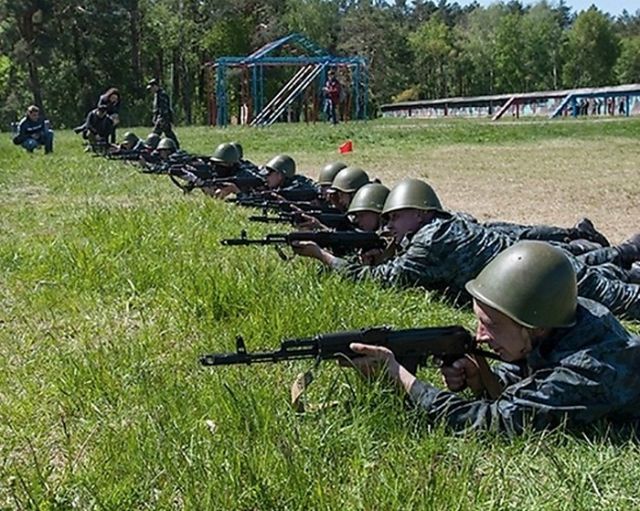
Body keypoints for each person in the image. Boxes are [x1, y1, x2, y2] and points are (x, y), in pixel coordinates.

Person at [346, 241, 640, 436]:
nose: (480, 336)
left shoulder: (590, 370)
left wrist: (402, 379)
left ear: (534, 326)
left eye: (491, 325)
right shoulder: (559, 316)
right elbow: (532, 370)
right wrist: (483, 376)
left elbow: (495, 423)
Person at [292, 178, 640, 320]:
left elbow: (379, 281)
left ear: (422, 214)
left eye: (396, 217)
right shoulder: (437, 229)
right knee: (615, 281)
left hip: (540, 273)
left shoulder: (430, 242)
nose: (390, 225)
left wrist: (322, 255)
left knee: (625, 300)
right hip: (533, 267)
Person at [146, 78, 180, 149]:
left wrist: (161, 119)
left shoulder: (162, 95)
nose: (151, 90)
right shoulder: (157, 94)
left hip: (163, 119)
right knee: (168, 133)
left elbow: (164, 109)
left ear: (155, 86)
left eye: (151, 88)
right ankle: (175, 146)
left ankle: (151, 146)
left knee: (155, 134)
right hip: (161, 118)